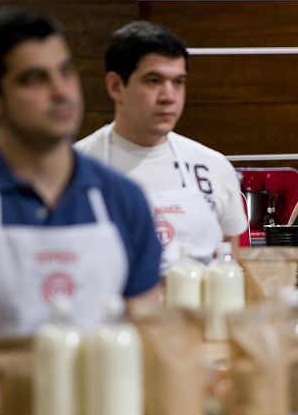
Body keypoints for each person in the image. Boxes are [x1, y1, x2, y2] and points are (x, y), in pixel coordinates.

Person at [0, 7, 163, 408]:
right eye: (34, 79)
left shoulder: (122, 200)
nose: (60, 92)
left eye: (65, 72)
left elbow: (147, 334)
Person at [75, 21, 246, 270]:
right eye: (153, 81)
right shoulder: (76, 167)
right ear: (115, 86)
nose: (169, 96)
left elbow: (233, 253)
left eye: (178, 82)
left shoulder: (213, 166)